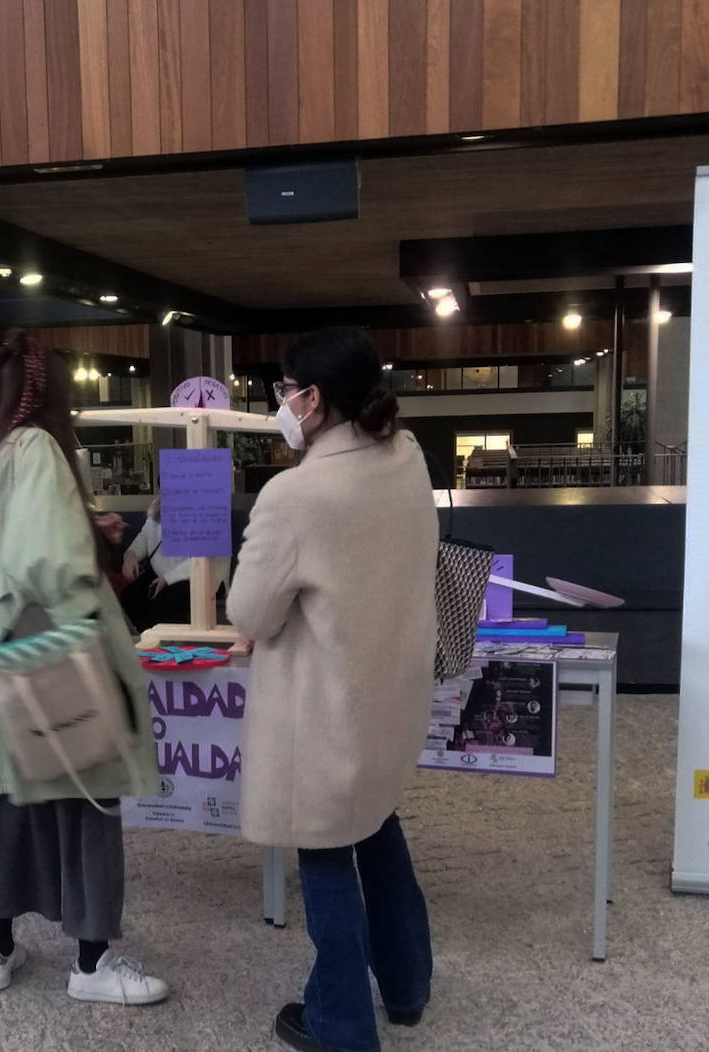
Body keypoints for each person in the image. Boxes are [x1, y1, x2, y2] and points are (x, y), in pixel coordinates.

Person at [227, 327, 439, 1052]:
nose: (281, 403)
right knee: (377, 826)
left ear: (313, 399)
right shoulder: (405, 458)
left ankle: (341, 1024)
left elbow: (251, 613)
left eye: (286, 390)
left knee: (323, 857)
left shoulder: (296, 493)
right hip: (387, 698)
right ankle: (408, 986)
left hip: (322, 714)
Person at [0, 330, 168, 1007]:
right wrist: (95, 654)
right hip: (55, 653)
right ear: (50, 393)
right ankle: (93, 961)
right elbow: (51, 565)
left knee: (16, 804)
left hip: (6, 655)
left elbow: (15, 548)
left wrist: (80, 528)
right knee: (89, 803)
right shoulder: (41, 448)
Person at [119, 496, 227, 633]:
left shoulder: (206, 513)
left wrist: (168, 579)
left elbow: (204, 558)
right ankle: (146, 638)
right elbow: (144, 537)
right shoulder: (158, 509)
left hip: (192, 577)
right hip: (160, 573)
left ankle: (168, 643)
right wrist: (130, 555)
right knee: (130, 596)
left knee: (166, 601)